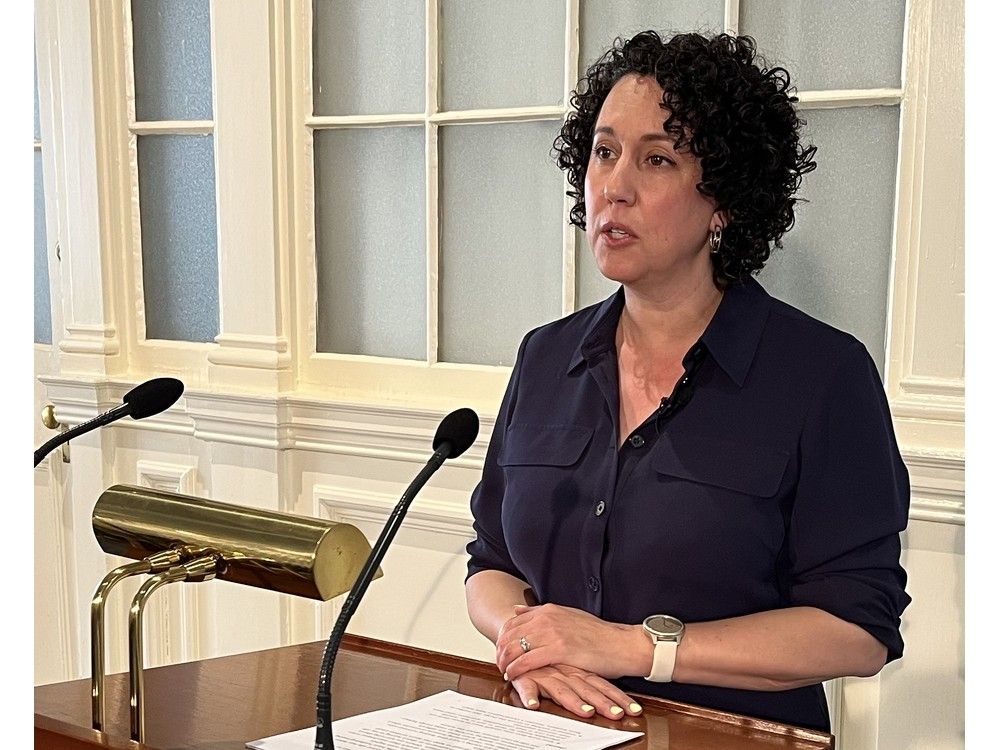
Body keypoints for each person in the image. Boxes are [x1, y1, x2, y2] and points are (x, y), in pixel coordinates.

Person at [464, 31, 911, 732]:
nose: (614, 185)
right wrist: (529, 642)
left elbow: (858, 629)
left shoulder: (824, 375)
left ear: (724, 201)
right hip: (548, 729)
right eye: (604, 152)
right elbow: (489, 560)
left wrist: (631, 647)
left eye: (657, 159)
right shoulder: (545, 358)